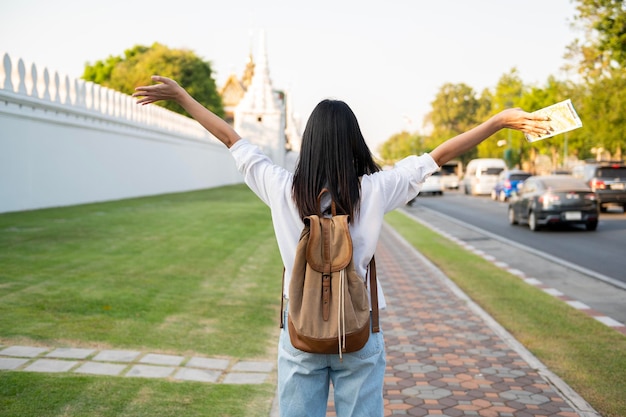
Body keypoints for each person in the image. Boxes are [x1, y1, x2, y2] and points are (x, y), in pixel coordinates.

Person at [133, 76, 551, 417]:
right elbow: (435, 157)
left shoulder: (281, 189)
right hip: (359, 331)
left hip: (299, 330)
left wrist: (182, 95)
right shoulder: (375, 190)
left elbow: (232, 139)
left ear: (309, 143)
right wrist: (497, 121)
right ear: (355, 142)